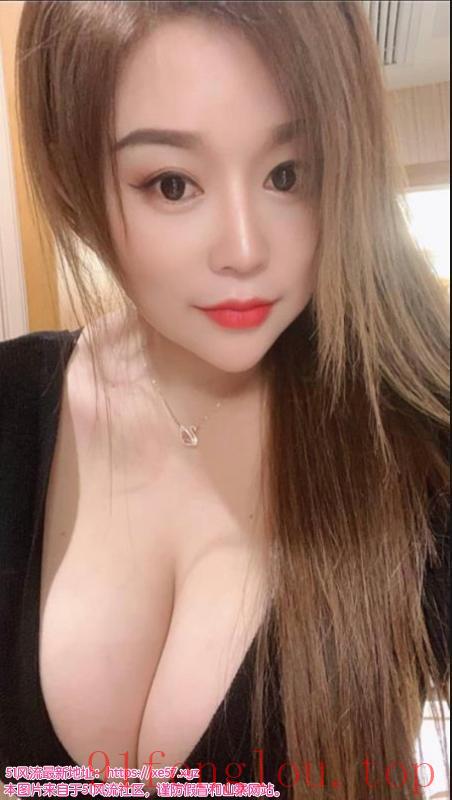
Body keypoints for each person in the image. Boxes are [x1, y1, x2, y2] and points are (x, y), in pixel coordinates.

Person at [0, 2, 449, 799]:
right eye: (172, 184)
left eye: (288, 175)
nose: (245, 250)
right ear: (75, 179)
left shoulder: (413, 432)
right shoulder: (11, 404)